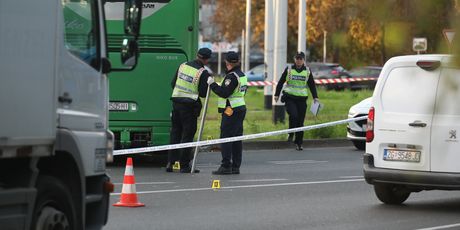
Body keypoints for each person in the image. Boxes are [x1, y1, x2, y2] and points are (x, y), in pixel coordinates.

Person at [166, 47, 212, 173]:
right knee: (187, 135)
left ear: (197, 55)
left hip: (176, 103)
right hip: (190, 107)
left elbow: (173, 83)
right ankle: (184, 165)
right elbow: (203, 93)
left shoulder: (183, 65)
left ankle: (171, 163)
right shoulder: (202, 72)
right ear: (207, 60)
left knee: (175, 133)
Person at [207, 51, 247, 175]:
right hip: (240, 108)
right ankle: (235, 166)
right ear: (238, 61)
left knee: (226, 138)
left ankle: (225, 166)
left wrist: (212, 84)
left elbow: (224, 93)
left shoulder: (231, 76)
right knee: (236, 139)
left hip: (231, 110)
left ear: (227, 62)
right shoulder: (242, 75)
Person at [274, 51, 319, 151]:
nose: (298, 60)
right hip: (290, 97)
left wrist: (315, 97)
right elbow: (281, 81)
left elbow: (311, 84)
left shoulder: (307, 70)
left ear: (303, 60)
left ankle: (299, 143)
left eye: (300, 59)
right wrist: (277, 94)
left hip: (302, 99)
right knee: (294, 115)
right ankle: (291, 133)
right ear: (294, 59)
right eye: (297, 58)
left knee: (300, 122)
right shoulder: (289, 69)